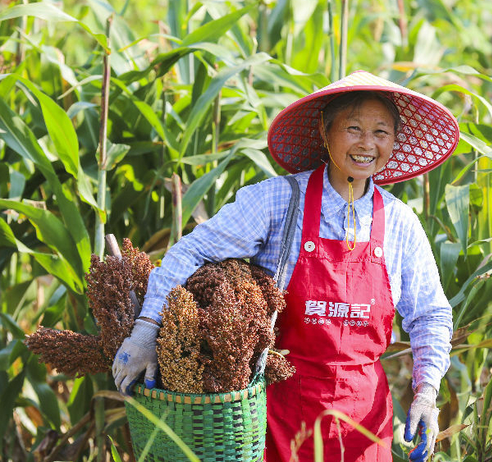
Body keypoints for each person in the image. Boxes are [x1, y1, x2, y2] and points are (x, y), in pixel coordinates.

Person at [112, 70, 458, 462]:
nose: (367, 144)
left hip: (364, 425)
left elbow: (430, 314)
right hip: (279, 418)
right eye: (354, 128)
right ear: (326, 134)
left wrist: (427, 393)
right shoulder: (278, 202)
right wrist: (146, 329)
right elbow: (192, 251)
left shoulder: (400, 223)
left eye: (381, 132)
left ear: (393, 143)